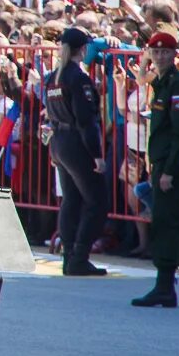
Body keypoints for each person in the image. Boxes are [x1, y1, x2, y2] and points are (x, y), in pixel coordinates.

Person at [132, 25, 179, 308]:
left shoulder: (178, 85)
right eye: (156, 51)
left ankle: (165, 286)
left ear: (174, 54)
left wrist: (169, 171)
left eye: (165, 52)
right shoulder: (160, 83)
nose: (160, 57)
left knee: (165, 224)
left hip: (171, 166)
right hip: (162, 163)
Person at [46, 25, 109, 276]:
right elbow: (86, 120)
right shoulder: (77, 77)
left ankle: (69, 255)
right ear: (82, 50)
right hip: (74, 141)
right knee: (97, 202)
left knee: (71, 200)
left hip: (59, 141)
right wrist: (97, 155)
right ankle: (79, 256)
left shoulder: (54, 77)